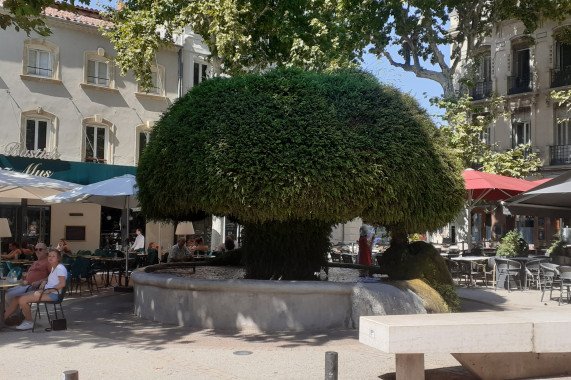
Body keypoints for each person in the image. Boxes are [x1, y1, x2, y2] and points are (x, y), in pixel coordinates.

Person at [5, 248, 67, 330]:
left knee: (22, 300)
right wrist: (45, 282)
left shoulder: (60, 268)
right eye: (49, 256)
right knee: (16, 298)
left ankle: (29, 322)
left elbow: (62, 284)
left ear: (58, 258)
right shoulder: (54, 267)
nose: (51, 258)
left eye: (53, 256)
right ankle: (3, 319)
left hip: (53, 294)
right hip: (46, 292)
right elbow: (53, 280)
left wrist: (47, 291)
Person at [4, 243, 52, 320]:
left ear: (46, 251)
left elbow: (53, 276)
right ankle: (12, 316)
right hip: (25, 285)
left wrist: (40, 281)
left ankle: (15, 317)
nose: (37, 251)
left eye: (40, 249)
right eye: (36, 249)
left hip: (34, 288)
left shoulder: (48, 262)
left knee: (9, 296)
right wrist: (22, 281)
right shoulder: (35, 262)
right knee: (4, 294)